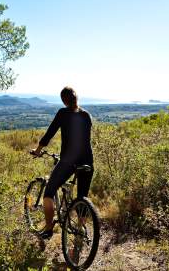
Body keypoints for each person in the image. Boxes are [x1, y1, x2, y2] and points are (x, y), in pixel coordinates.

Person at [31, 86, 94, 239]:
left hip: (69, 161)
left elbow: (50, 133)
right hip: (88, 161)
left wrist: (38, 150)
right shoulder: (86, 115)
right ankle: (79, 232)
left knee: (49, 193)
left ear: (63, 100)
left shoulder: (63, 113)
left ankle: (48, 228)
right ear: (76, 98)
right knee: (82, 198)